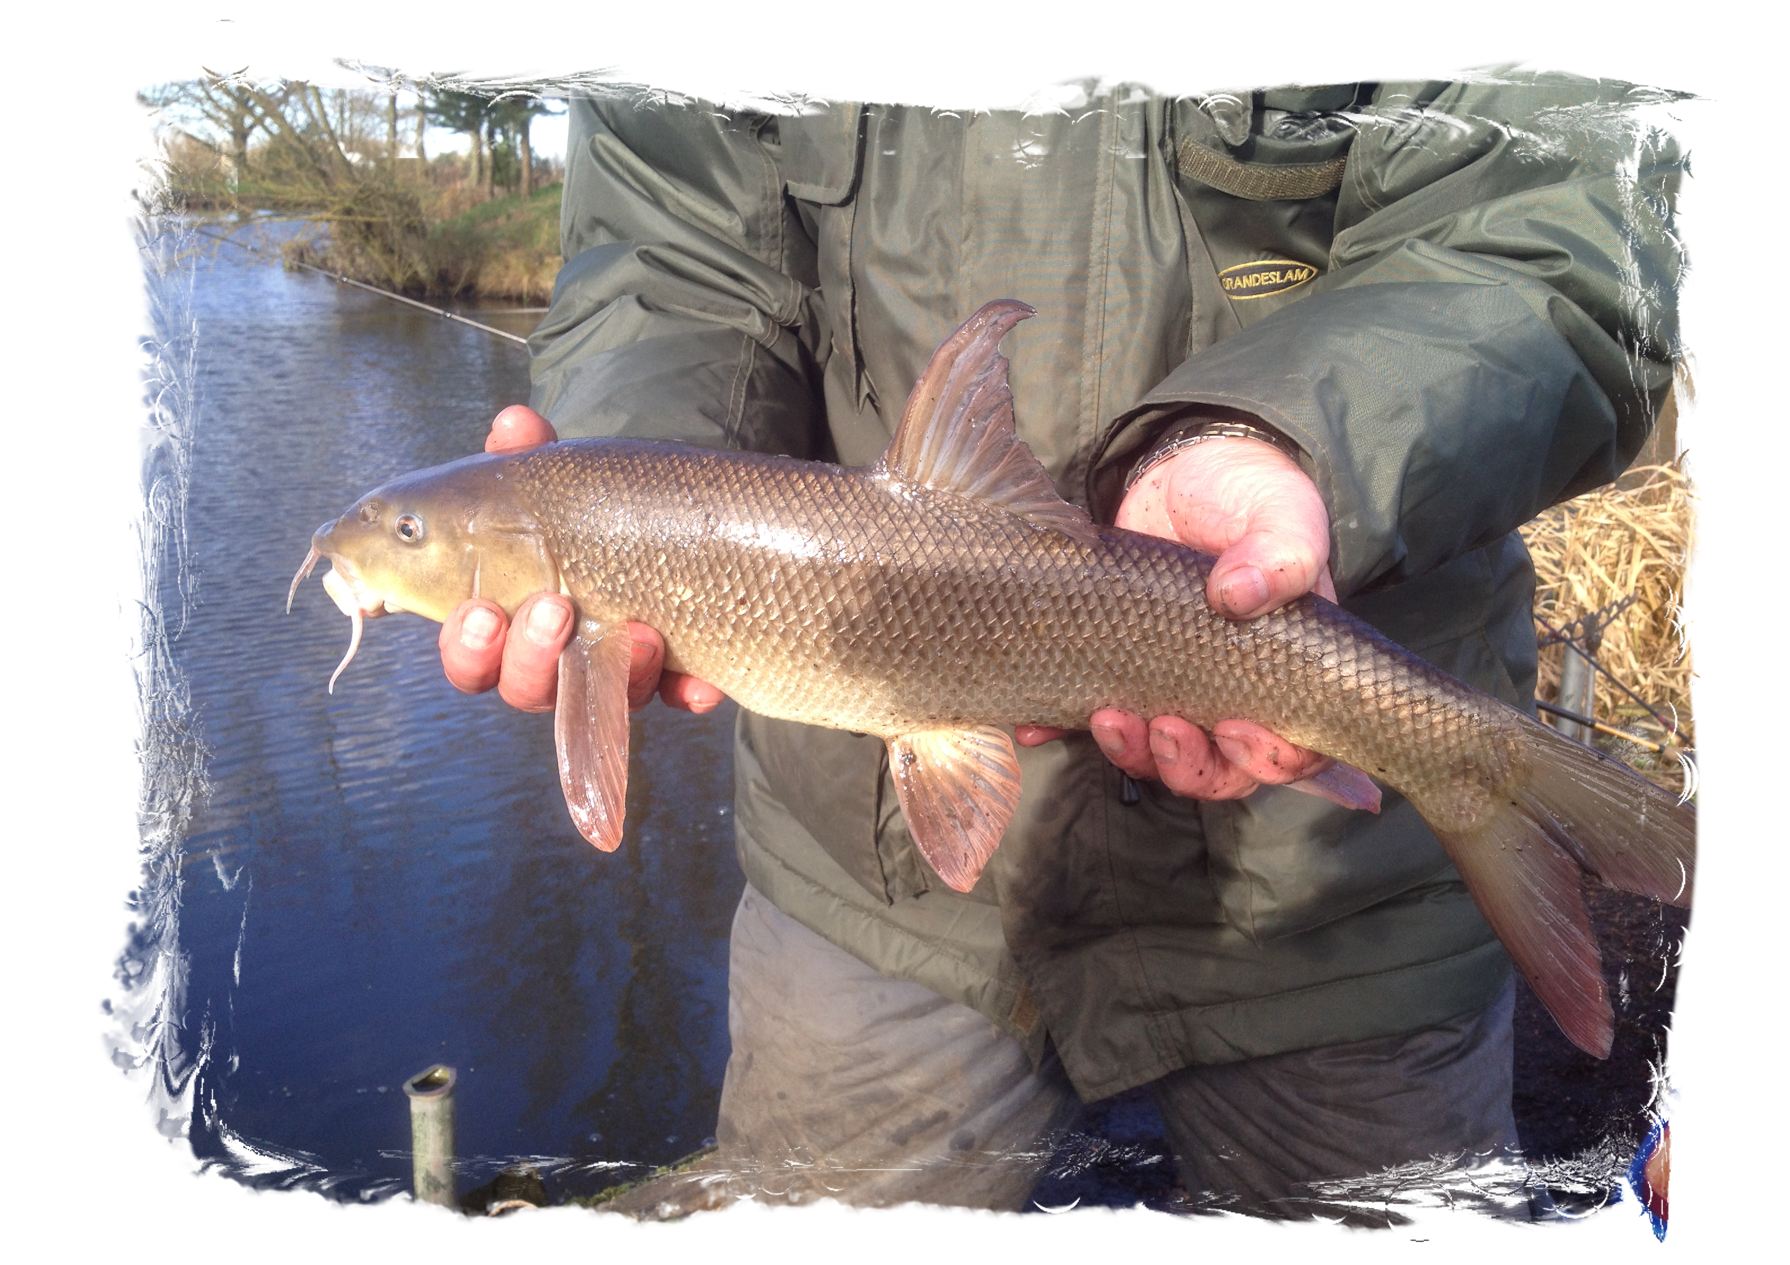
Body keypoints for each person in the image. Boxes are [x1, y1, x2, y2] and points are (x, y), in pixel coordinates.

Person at [436, 75, 1682, 1217]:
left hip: (1335, 894)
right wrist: (628, 467)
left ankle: (1497, 780)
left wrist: (1284, 439)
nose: (364, 550)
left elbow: (1550, 236)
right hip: (868, 884)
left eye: (399, 533)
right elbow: (673, 254)